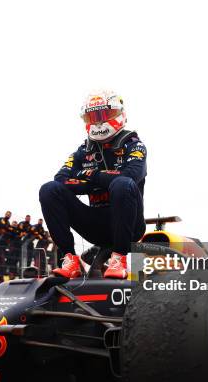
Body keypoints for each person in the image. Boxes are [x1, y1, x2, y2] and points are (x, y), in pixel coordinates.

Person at [39, 90, 147, 279]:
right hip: (96, 227)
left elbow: (131, 175)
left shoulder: (134, 145)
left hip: (131, 226)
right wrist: (104, 180)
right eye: (93, 116)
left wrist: (89, 176)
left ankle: (119, 258)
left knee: (122, 184)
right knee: (48, 189)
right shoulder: (83, 150)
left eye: (104, 115)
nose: (98, 121)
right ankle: (70, 259)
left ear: (118, 114)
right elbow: (61, 179)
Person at [0, 211, 12, 282]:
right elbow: (0, 228)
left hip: (3, 245)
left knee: (2, 260)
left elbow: (7, 231)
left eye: (9, 215)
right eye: (7, 214)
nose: (8, 215)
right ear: (5, 214)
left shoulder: (8, 223)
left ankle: (1, 277)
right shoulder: (1, 219)